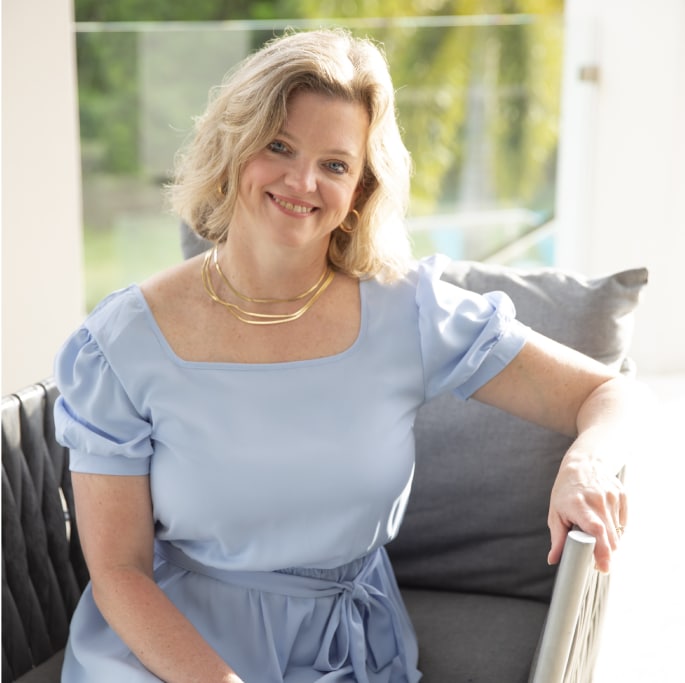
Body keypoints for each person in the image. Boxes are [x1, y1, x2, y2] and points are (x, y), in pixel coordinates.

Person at [54, 27, 642, 683]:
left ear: (360, 188)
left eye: (334, 164)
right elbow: (118, 569)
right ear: (231, 148)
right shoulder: (124, 340)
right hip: (168, 647)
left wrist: (585, 464)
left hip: (346, 646)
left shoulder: (409, 310)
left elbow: (610, 393)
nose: (302, 180)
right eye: (278, 146)